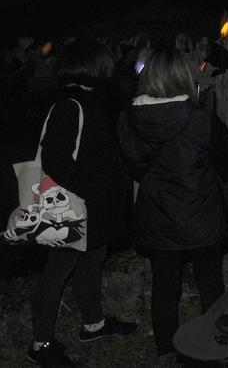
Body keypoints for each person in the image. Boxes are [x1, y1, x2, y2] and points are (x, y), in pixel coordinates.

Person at [117, 47, 228, 364]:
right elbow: (223, 152)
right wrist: (209, 107)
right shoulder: (197, 116)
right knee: (210, 281)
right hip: (200, 215)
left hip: (157, 215)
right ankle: (213, 345)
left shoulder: (128, 118)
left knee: (164, 286)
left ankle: (166, 352)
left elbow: (135, 164)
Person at [26, 39, 136, 368]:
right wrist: (86, 197)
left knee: (91, 263)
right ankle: (40, 344)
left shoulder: (90, 102)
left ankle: (93, 325)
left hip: (93, 208)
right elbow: (55, 162)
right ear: (92, 67)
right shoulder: (69, 106)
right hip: (71, 207)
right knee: (56, 274)